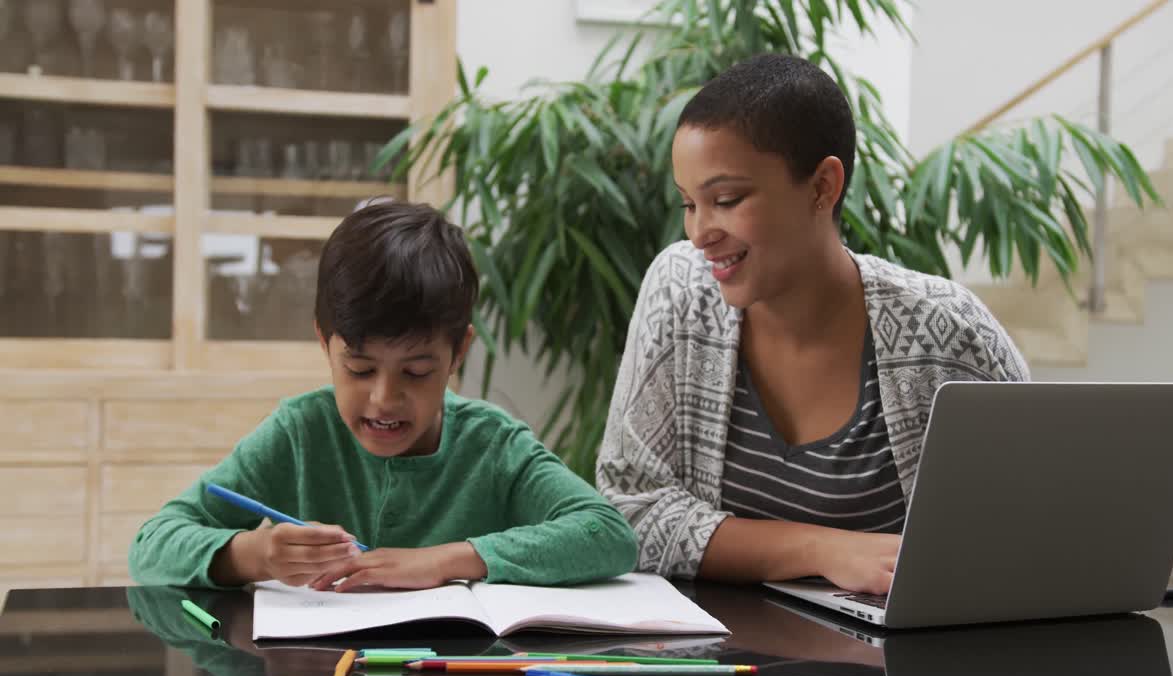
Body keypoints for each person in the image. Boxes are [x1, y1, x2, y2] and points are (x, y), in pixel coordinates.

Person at [597, 54, 1028, 595]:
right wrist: (821, 550)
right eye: (689, 203)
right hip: (719, 646)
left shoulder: (950, 334)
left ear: (823, 187)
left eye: (726, 200)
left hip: (896, 649)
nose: (700, 232)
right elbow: (628, 510)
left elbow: (1028, 533)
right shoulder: (680, 291)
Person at [129, 201, 636, 590]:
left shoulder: (493, 445)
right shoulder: (300, 433)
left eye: (416, 372)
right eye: (359, 369)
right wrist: (253, 555)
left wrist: (444, 560)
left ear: (458, 352)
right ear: (324, 343)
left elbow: (607, 534)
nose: (384, 399)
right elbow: (152, 544)